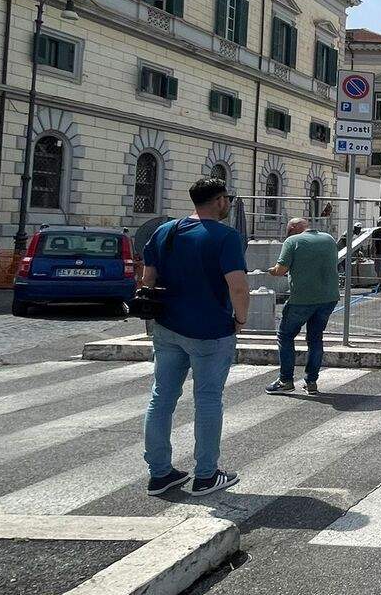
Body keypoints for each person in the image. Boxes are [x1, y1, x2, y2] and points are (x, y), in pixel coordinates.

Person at [140, 177, 248, 497]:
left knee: (161, 398)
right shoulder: (226, 236)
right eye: (227, 199)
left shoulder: (165, 231)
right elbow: (238, 287)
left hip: (168, 327)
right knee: (208, 400)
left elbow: (148, 279)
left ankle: (160, 473)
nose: (228, 204)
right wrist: (241, 319)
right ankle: (206, 475)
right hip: (210, 330)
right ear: (219, 200)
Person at [267, 217, 340, 395]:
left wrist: (271, 271)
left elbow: (280, 270)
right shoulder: (329, 239)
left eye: (287, 231)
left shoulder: (292, 241)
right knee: (315, 338)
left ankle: (286, 380)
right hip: (329, 298)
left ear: (292, 228)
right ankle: (311, 382)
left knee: (285, 335)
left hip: (302, 299)